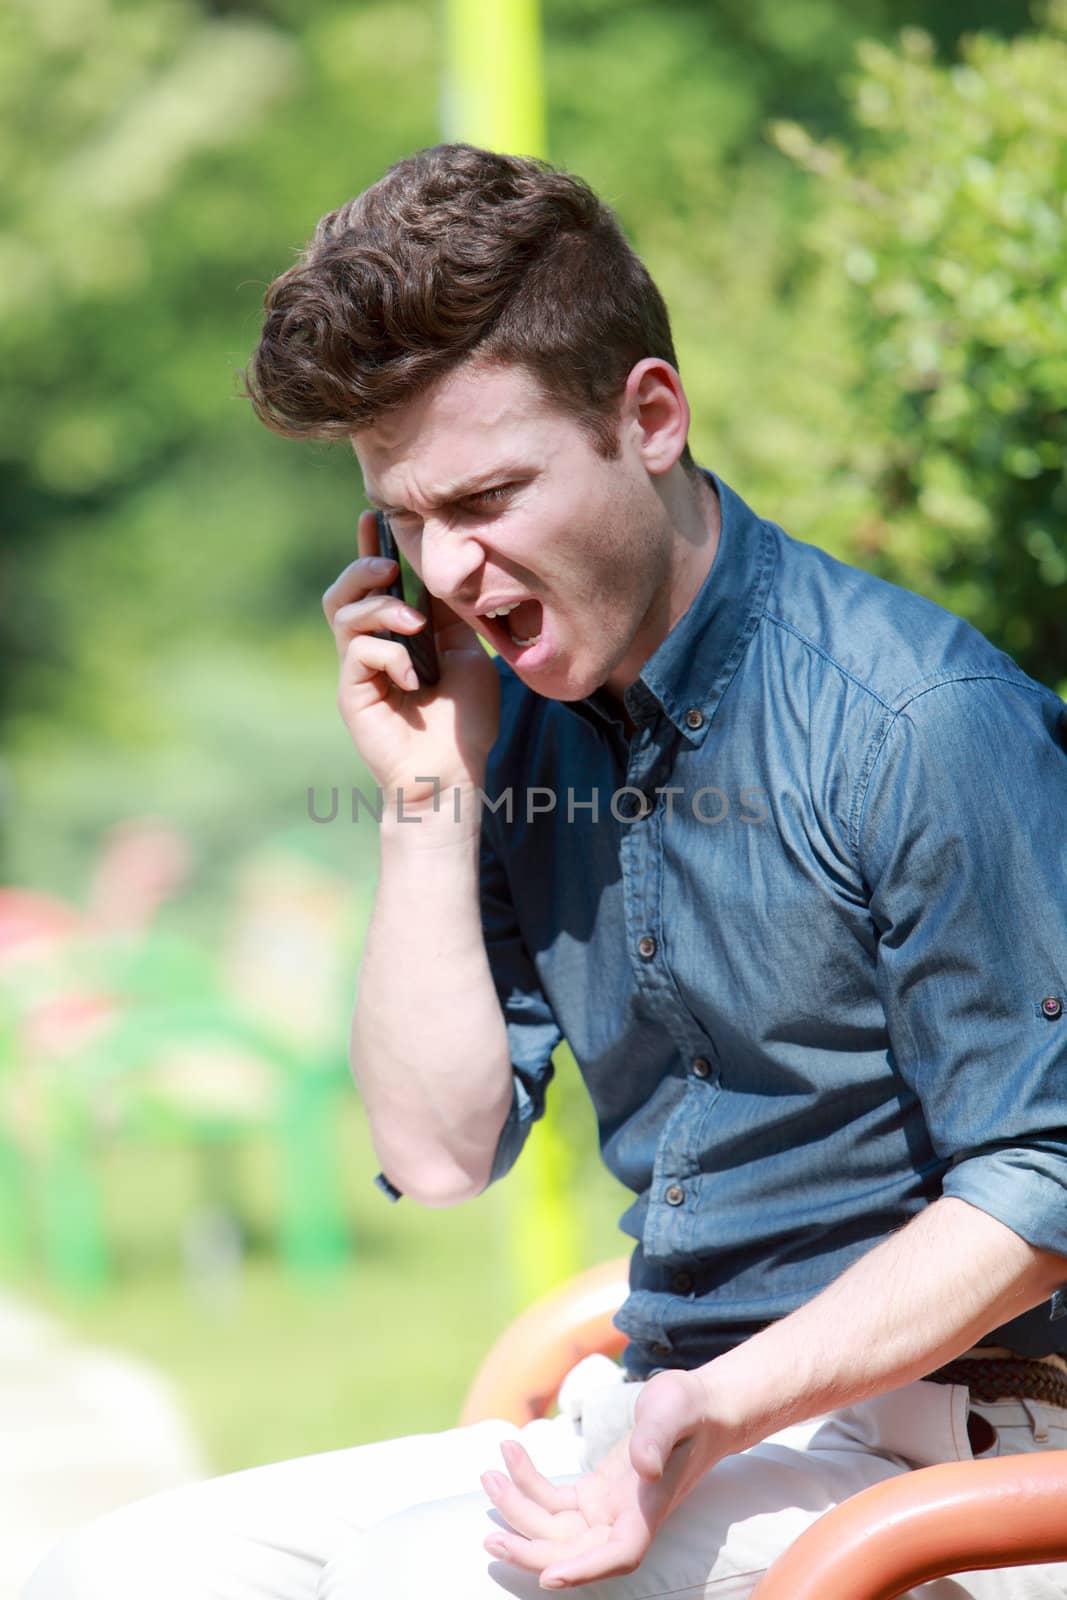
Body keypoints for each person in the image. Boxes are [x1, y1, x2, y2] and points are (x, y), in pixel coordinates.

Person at [27, 143, 1067, 1600]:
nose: (447, 570)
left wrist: (716, 1408)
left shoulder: (916, 718)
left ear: (648, 417)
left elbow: (1042, 1185)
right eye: (405, 517)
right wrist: (426, 799)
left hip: (956, 1450)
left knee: (417, 1580)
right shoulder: (508, 722)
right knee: (118, 1570)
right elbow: (440, 1155)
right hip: (667, 1410)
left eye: (488, 498)